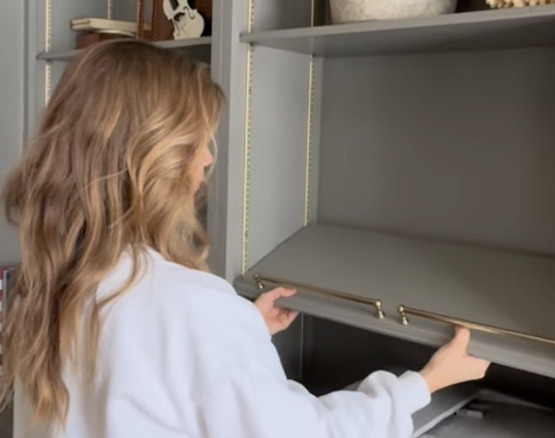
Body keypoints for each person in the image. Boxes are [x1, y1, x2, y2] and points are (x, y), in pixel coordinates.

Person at [0, 40, 490, 438]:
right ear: (152, 158)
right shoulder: (191, 307)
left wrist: (241, 328)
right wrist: (423, 385)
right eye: (195, 141)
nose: (208, 159)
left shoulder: (51, 282)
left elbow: (147, 372)